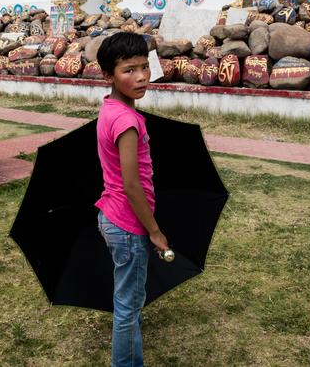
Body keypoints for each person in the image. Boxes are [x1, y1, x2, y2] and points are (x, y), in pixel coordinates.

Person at [95, 32, 170, 367]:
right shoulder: (125, 121)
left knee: (128, 298)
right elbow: (130, 184)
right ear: (108, 76)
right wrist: (154, 231)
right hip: (128, 223)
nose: (140, 77)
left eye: (144, 67)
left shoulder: (112, 108)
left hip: (114, 217)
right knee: (128, 306)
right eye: (128, 70)